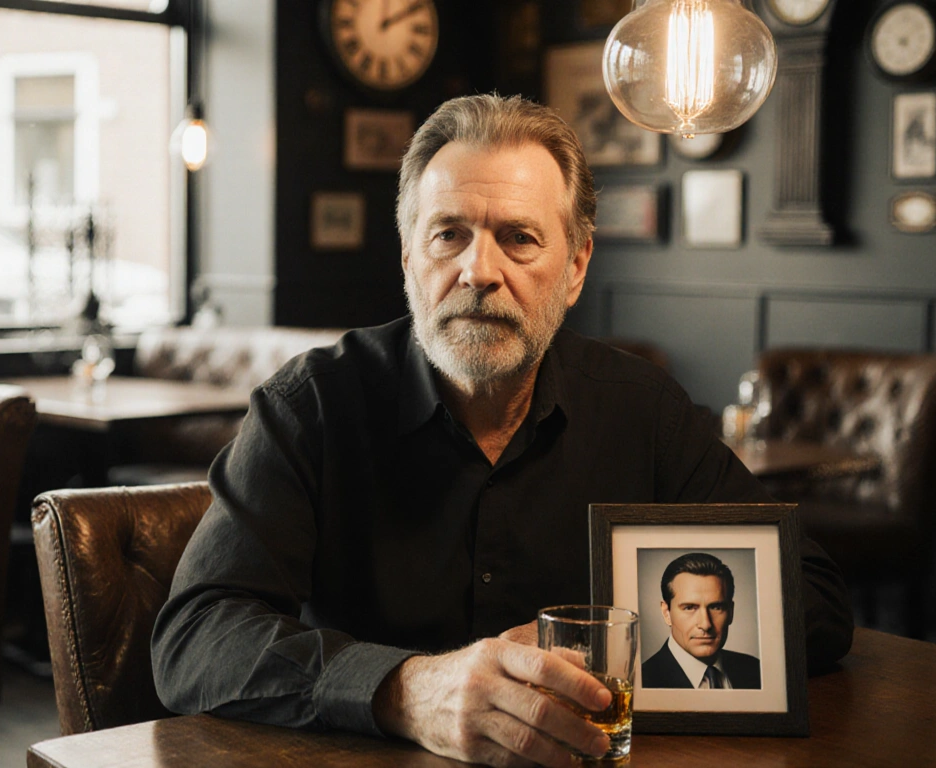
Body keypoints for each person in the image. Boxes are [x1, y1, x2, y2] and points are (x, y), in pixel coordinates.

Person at [152, 93, 853, 768]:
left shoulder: (645, 411)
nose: (478, 272)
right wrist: (405, 689)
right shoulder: (311, 407)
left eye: (518, 239)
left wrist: (609, 655)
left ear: (575, 266)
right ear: (407, 256)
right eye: (448, 234)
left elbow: (812, 599)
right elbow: (196, 636)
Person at [639, 552, 761, 689]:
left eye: (716, 607)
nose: (705, 624)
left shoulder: (756, 671)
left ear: (731, 612)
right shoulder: (642, 681)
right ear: (666, 613)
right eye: (689, 608)